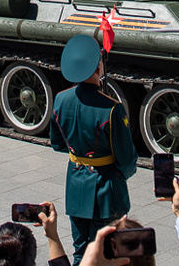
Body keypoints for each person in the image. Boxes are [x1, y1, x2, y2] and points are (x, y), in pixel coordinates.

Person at [49, 35, 136, 262]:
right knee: (109, 254)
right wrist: (121, 177)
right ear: (98, 66)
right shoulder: (112, 108)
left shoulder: (60, 100)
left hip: (76, 188)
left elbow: (57, 143)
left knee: (80, 252)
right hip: (106, 191)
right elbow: (127, 159)